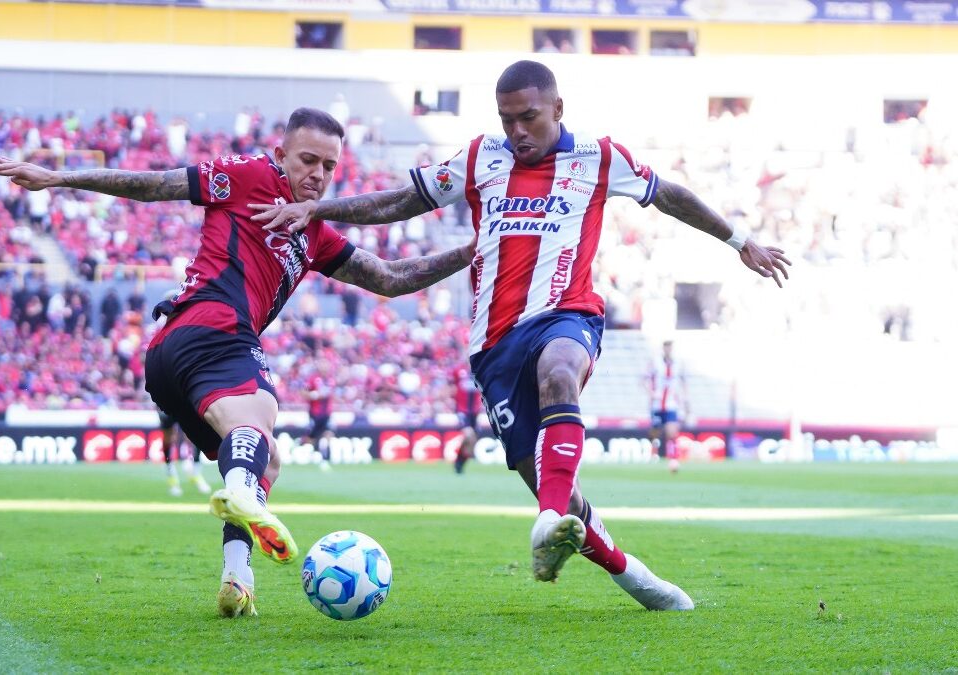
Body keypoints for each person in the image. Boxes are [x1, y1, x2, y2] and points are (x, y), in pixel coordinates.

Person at [251, 61, 791, 611]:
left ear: (558, 109)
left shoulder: (601, 158)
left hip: (567, 313)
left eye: (529, 118)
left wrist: (739, 239)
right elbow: (400, 202)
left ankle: (550, 516)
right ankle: (633, 575)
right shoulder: (480, 156)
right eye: (507, 120)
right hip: (493, 344)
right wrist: (319, 207)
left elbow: (671, 195)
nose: (517, 132)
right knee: (553, 486)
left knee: (560, 372)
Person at [0, 107, 475, 618]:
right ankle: (239, 492)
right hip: (211, 328)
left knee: (267, 461)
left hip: (172, 358)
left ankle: (237, 578)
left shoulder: (314, 233)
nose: (318, 175)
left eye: (329, 167)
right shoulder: (249, 176)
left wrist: (468, 253)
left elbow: (390, 278)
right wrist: (62, 177)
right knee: (260, 416)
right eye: (308, 160)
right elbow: (156, 185)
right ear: (280, 153)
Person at [646, 339, 689, 473]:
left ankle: (673, 459)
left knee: (672, 431)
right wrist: (651, 393)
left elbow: (683, 381)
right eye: (666, 347)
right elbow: (645, 379)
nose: (668, 350)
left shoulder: (678, 363)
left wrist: (685, 399)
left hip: (671, 403)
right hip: (657, 403)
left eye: (670, 347)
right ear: (663, 348)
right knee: (655, 431)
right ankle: (654, 452)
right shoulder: (655, 362)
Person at [159, 409, 212, 497]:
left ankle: (196, 474)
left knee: (193, 434)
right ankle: (172, 479)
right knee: (168, 438)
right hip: (168, 401)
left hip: (185, 400)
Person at [299, 356, 334, 470]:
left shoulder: (331, 379)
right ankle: (299, 446)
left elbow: (331, 395)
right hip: (315, 413)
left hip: (327, 413)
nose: (325, 367)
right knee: (312, 438)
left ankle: (325, 459)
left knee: (328, 434)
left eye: (326, 364)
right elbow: (303, 392)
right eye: (322, 364)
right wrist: (314, 395)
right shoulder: (313, 379)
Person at [452, 361, 480, 474]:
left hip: (475, 411)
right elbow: (451, 386)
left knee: (471, 441)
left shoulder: (479, 369)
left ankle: (460, 463)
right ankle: (458, 463)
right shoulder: (459, 371)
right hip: (462, 410)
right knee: (469, 435)